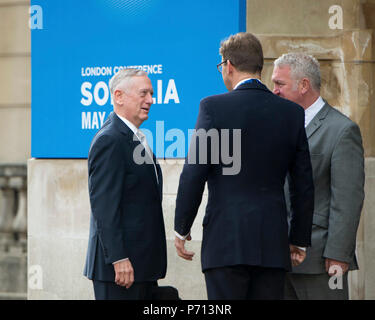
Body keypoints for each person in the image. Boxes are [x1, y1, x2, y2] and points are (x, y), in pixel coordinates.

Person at [174, 32, 315, 300]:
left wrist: (182, 226)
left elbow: (194, 172)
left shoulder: (212, 107)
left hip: (225, 244)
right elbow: (303, 183)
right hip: (272, 245)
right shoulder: (292, 113)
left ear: (228, 66)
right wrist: (298, 238)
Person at [271, 52, 365, 300]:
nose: (274, 91)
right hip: (277, 259)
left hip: (320, 263)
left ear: (304, 85)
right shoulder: (278, 126)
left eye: (280, 84)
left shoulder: (342, 131)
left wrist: (338, 255)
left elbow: (347, 200)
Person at [83, 68, 169, 300]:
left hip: (141, 268)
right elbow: (104, 206)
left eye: (151, 94)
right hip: (119, 272)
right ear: (119, 96)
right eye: (144, 93)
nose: (150, 100)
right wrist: (119, 258)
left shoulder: (135, 137)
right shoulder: (110, 140)